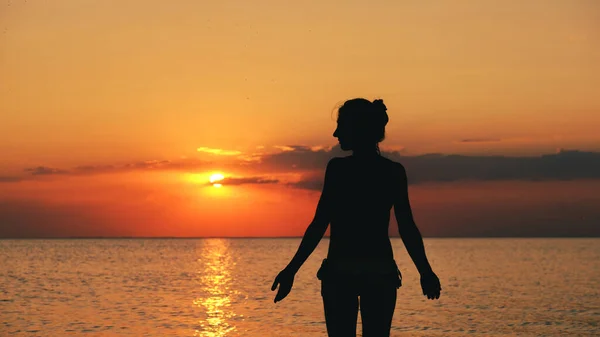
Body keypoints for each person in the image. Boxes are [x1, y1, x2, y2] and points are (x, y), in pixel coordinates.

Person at [271, 98, 441, 337]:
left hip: (341, 273)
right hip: (379, 273)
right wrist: (425, 271)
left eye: (341, 126)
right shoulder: (392, 172)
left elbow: (320, 224)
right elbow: (407, 227)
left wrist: (291, 270)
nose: (335, 133)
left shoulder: (338, 170)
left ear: (357, 129)